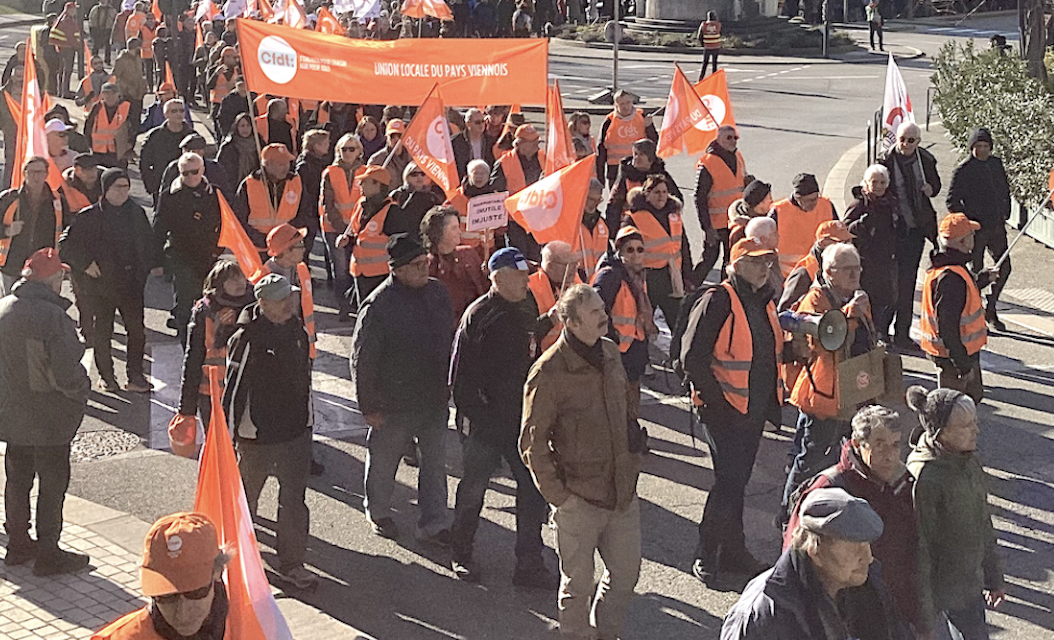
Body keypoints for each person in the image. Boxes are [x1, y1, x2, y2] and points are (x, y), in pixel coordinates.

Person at [521, 283, 644, 640]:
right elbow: (531, 443)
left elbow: (623, 406)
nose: (604, 316)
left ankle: (607, 633)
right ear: (571, 323)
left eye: (602, 309)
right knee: (577, 586)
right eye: (594, 313)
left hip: (621, 490)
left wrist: (634, 443)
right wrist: (560, 497)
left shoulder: (609, 352)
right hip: (578, 498)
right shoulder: (548, 372)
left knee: (625, 576)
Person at [447, 247, 556, 588]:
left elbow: (527, 343)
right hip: (486, 424)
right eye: (522, 275)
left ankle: (529, 563)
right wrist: (480, 419)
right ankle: (461, 553)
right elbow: (459, 379)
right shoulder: (478, 316)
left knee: (531, 490)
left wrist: (551, 320)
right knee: (473, 490)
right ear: (501, 277)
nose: (528, 280)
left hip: (521, 419)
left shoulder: (524, 306)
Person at [681, 237, 781, 585]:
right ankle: (706, 552)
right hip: (724, 411)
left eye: (767, 262)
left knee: (736, 483)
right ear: (735, 265)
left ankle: (734, 551)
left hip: (750, 409)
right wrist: (718, 403)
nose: (764, 268)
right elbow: (691, 358)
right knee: (729, 482)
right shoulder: (719, 298)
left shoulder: (763, 301)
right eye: (755, 262)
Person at [784, 405, 927, 637]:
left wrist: (921, 618)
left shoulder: (903, 483)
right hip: (849, 616)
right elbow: (796, 553)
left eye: (895, 445)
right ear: (859, 445)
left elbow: (914, 551)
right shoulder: (830, 489)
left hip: (897, 612)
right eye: (879, 445)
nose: (890, 456)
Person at [351, 233, 453, 542]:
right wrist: (368, 406)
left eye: (427, 263)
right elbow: (363, 359)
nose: (425, 269)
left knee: (435, 466)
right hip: (392, 403)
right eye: (418, 265)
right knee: (383, 463)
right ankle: (379, 511)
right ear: (398, 269)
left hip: (433, 399)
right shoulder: (379, 306)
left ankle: (434, 523)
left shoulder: (437, 293)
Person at [223, 274, 318, 590]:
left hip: (295, 432)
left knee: (294, 501)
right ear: (263, 303)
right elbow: (233, 389)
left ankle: (293, 563)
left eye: (290, 297)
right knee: (247, 499)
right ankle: (239, 561)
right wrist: (225, 433)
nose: (289, 304)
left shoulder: (297, 330)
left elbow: (306, 378)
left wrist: (308, 421)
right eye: (281, 299)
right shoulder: (247, 337)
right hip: (257, 437)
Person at [0, 249, 90, 575]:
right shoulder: (53, 318)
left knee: (17, 479)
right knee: (52, 485)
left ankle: (18, 543)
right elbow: (66, 374)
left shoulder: (4, 308)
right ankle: (49, 551)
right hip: (48, 418)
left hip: (11, 415)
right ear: (55, 281)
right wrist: (83, 391)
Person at [722, 488, 908, 640]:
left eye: (867, 545)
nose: (867, 558)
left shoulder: (867, 582)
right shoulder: (764, 614)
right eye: (854, 548)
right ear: (815, 551)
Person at [782, 243, 877, 522]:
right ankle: (790, 515)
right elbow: (823, 344)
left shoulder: (859, 296)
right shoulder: (815, 300)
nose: (855, 274)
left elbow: (867, 339)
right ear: (830, 272)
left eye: (857, 268)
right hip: (823, 396)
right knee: (810, 460)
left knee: (845, 458)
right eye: (848, 269)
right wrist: (849, 314)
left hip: (853, 392)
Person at [906, 385, 1005, 640]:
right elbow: (920, 549)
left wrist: (993, 577)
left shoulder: (967, 459)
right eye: (966, 426)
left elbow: (982, 520)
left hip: (967, 585)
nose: (976, 430)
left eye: (974, 422)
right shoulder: (925, 478)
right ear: (941, 433)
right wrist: (925, 621)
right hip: (945, 588)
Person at [59, 168, 156, 393]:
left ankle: (135, 376)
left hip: (131, 283)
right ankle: (107, 377)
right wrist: (85, 264)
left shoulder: (136, 213)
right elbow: (65, 246)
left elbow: (148, 243)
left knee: (136, 331)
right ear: (106, 189)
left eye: (126, 186)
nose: (123, 191)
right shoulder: (89, 216)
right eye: (117, 187)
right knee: (103, 333)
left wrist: (145, 269)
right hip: (100, 286)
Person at [92, 513, 231, 640]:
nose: (181, 613)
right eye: (166, 596)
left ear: (218, 573)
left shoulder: (247, 619)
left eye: (195, 592)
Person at [919, 213, 995, 403]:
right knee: (955, 410)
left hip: (952, 354)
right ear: (962, 242)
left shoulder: (947, 268)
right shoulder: (951, 278)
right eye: (971, 234)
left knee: (965, 403)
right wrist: (963, 366)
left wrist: (983, 279)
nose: (974, 238)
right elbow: (948, 327)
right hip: (956, 357)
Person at [879, 121, 940, 351]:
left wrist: (930, 189)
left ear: (918, 142)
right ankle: (882, 331)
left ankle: (902, 333)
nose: (905, 144)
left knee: (907, 284)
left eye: (910, 140)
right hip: (892, 232)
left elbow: (936, 184)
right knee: (889, 284)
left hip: (915, 232)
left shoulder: (925, 160)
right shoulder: (885, 160)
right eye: (902, 139)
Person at [945, 127, 1012, 332]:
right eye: (978, 146)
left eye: (986, 146)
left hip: (996, 227)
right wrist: (969, 221)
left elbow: (1004, 189)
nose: (982, 150)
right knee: (976, 273)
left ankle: (991, 307)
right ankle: (975, 311)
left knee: (1005, 267)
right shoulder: (963, 170)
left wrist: (1005, 210)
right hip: (975, 231)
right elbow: (951, 201)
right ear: (972, 148)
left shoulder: (995, 164)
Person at [153, 153, 221, 345]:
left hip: (207, 255)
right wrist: (156, 261)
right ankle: (186, 342)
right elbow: (159, 228)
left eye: (195, 172)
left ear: (203, 171)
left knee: (208, 301)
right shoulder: (169, 196)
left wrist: (218, 249)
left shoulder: (214, 193)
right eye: (185, 173)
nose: (191, 177)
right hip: (180, 254)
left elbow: (226, 223)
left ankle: (205, 341)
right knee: (184, 302)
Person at [177, 259, 252, 429]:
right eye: (232, 279)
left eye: (241, 277)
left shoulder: (253, 306)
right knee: (216, 443)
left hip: (244, 391)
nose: (239, 283)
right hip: (210, 393)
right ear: (219, 284)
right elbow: (193, 357)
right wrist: (186, 409)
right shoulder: (204, 311)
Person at [592, 226, 656, 418]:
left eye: (640, 249)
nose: (636, 254)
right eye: (630, 250)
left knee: (632, 398)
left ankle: (633, 437)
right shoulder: (611, 275)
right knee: (617, 402)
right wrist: (612, 337)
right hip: (618, 350)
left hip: (635, 347)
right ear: (620, 253)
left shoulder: (637, 276)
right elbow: (596, 308)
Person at [626, 174, 694, 331]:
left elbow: (683, 246)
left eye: (664, 192)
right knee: (643, 322)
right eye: (656, 192)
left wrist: (687, 275)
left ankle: (677, 354)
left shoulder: (674, 215)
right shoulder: (634, 218)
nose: (661, 196)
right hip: (648, 279)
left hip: (672, 278)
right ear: (647, 194)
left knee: (678, 325)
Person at [844, 164, 898, 339]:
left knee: (887, 301)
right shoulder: (859, 204)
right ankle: (866, 338)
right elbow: (844, 229)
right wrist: (861, 223)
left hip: (886, 261)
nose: (879, 186)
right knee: (868, 301)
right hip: (865, 263)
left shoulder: (891, 202)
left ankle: (880, 335)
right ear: (866, 183)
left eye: (883, 182)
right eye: (874, 182)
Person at [0, 157, 66, 296]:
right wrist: (7, 231)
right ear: (24, 173)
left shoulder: (58, 201)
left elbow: (68, 230)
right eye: (32, 172)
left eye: (40, 172)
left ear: (46, 174)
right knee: (12, 311)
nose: (36, 176)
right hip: (13, 265)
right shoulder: (8, 199)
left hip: (44, 267)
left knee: (44, 310)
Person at [320, 133, 366, 319]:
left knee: (356, 267)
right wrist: (341, 228)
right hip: (334, 228)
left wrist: (356, 227)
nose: (347, 153)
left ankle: (356, 303)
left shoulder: (365, 171)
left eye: (351, 149)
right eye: (344, 149)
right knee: (340, 268)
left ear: (359, 152)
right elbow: (328, 204)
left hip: (357, 228)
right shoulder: (330, 172)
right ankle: (343, 307)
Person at [234, 143, 308, 253]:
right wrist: (261, 239)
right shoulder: (249, 184)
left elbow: (305, 213)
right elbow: (239, 218)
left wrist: (290, 236)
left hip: (287, 247)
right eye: (281, 164)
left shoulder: (296, 182)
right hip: (257, 248)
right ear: (267, 165)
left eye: (287, 163)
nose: (286, 167)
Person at [695, 125, 747, 280]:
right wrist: (707, 228)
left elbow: (742, 181)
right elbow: (699, 198)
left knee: (731, 259)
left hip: (735, 221)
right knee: (709, 258)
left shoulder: (738, 156)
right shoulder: (708, 163)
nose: (733, 141)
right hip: (716, 223)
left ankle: (726, 293)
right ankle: (690, 288)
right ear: (719, 139)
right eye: (728, 138)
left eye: (735, 138)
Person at [605, 138, 683, 236]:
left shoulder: (662, 177)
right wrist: (613, 233)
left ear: (650, 158)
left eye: (641, 154)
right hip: (633, 228)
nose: (636, 158)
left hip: (659, 228)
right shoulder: (626, 176)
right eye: (635, 154)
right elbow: (614, 206)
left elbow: (677, 202)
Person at [421, 206, 487, 322]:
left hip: (477, 321)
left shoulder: (469, 253)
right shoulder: (427, 266)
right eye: (454, 228)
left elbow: (484, 287)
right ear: (438, 231)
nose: (459, 232)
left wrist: (487, 273)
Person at [344, 165, 395, 306]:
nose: (360, 184)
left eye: (365, 181)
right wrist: (347, 240)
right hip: (359, 272)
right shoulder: (361, 204)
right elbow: (357, 233)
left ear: (378, 185)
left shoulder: (392, 212)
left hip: (381, 274)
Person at [779, 219, 855, 313]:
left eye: (847, 241)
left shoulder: (851, 267)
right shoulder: (804, 273)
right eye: (839, 242)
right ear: (822, 243)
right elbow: (783, 314)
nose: (845, 246)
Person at [772, 172, 839, 278]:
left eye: (816, 197)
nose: (814, 203)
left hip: (821, 274)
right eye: (809, 200)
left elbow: (839, 234)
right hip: (788, 278)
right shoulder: (778, 212)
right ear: (798, 198)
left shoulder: (826, 205)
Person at [597, 89, 657, 187]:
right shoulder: (609, 121)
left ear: (632, 102)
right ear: (616, 105)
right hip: (615, 170)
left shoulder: (642, 117)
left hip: (639, 167)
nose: (625, 106)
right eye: (622, 104)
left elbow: (653, 142)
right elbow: (601, 149)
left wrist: (649, 127)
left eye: (628, 102)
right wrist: (600, 177)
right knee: (617, 200)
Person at [528, 240, 580, 352]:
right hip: (544, 357)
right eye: (569, 265)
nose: (574, 270)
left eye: (576, 264)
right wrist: (549, 320)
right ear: (550, 266)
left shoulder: (577, 282)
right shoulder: (529, 289)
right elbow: (526, 334)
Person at [446, 159, 502, 258]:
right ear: (469, 175)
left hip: (487, 248)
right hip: (463, 248)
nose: (479, 177)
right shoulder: (456, 197)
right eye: (475, 173)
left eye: (483, 173)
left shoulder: (495, 198)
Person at [140, 98, 193, 202]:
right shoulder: (154, 136)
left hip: (187, 186)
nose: (178, 114)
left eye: (181, 111)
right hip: (161, 187)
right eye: (174, 111)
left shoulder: (191, 136)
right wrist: (151, 186)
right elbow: (144, 163)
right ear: (165, 114)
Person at [158, 133, 234, 199]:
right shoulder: (173, 168)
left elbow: (226, 195)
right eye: (187, 151)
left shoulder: (215, 169)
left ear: (202, 152)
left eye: (195, 152)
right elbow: (164, 195)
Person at [386, 162, 444, 238]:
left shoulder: (432, 197)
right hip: (401, 238)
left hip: (423, 239)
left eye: (422, 173)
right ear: (406, 176)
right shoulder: (397, 194)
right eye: (414, 174)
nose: (419, 177)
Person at [84, 83, 134, 168]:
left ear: (118, 94)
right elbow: (87, 128)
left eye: (112, 93)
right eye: (107, 93)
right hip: (98, 153)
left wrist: (129, 145)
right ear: (102, 95)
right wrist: (90, 146)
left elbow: (133, 128)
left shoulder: (126, 107)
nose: (109, 96)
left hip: (117, 153)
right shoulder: (97, 107)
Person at [744, 216, 784, 301]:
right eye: (774, 233)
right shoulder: (754, 264)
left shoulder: (771, 257)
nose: (778, 236)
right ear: (764, 239)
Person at [217, 113, 261, 188]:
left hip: (255, 185)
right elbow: (220, 169)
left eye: (248, 125)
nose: (245, 129)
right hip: (233, 186)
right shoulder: (228, 146)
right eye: (242, 126)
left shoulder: (259, 143)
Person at [575, 178, 608, 278]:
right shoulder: (572, 224)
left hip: (598, 282)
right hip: (576, 283)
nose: (595, 204)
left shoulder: (601, 223)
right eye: (591, 199)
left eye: (599, 200)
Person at [452, 108, 496, 180]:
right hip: (464, 182)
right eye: (477, 122)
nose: (481, 125)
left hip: (486, 182)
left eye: (483, 121)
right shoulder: (455, 142)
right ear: (468, 124)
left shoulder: (491, 141)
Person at [112, 39, 146, 131]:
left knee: (137, 116)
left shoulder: (138, 58)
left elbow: (140, 74)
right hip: (127, 93)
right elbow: (115, 76)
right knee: (129, 117)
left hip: (138, 92)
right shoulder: (121, 60)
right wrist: (123, 89)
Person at [727, 179, 773, 246]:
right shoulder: (739, 233)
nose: (772, 201)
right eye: (769, 198)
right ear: (760, 203)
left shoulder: (772, 215)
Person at [0, 63, 23, 189]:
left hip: (28, 132)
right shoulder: (3, 93)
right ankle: (7, 189)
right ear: (12, 77)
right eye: (17, 76)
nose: (20, 79)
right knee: (11, 162)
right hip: (10, 132)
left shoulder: (32, 92)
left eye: (22, 76)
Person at [697, 10, 721, 80]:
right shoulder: (718, 24)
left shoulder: (704, 24)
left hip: (707, 46)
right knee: (714, 64)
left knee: (705, 64)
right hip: (716, 46)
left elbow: (699, 36)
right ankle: (714, 80)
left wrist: (702, 44)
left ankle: (700, 79)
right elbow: (721, 33)